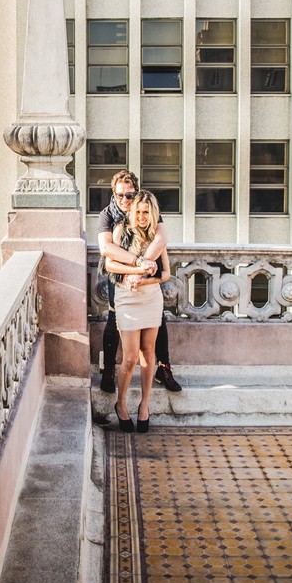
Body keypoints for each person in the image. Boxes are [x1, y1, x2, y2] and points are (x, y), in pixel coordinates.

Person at [97, 170, 181, 394]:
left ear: (136, 192)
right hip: (122, 272)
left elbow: (161, 238)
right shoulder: (108, 215)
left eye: (129, 195)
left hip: (144, 274)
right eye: (119, 195)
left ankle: (164, 368)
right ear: (113, 195)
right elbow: (107, 250)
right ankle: (108, 369)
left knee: (158, 319)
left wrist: (143, 272)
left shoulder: (146, 209)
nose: (124, 200)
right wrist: (137, 264)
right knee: (114, 316)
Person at [103, 190, 170, 432]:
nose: (141, 217)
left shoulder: (156, 238)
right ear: (132, 212)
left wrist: (142, 281)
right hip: (126, 298)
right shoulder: (122, 231)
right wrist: (134, 274)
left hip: (151, 298)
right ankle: (120, 404)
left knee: (149, 353)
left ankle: (144, 405)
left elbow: (165, 274)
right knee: (130, 358)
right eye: (138, 212)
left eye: (146, 212)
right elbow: (110, 263)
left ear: (152, 214)